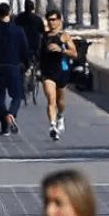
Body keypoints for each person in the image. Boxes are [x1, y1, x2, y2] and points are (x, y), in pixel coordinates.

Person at [0, 3, 32, 135]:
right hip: (14, 65)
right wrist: (27, 64)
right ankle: (11, 113)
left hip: (0, 65)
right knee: (17, 96)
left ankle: (4, 126)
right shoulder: (18, 30)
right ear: (9, 13)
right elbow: (24, 48)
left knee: (0, 96)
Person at [38, 12, 76, 140]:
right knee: (51, 99)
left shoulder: (64, 36)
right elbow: (39, 54)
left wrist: (61, 50)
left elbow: (74, 53)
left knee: (61, 101)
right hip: (47, 72)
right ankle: (53, 126)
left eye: (54, 20)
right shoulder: (43, 37)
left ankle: (60, 116)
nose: (51, 22)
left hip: (61, 71)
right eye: (49, 20)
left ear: (60, 20)